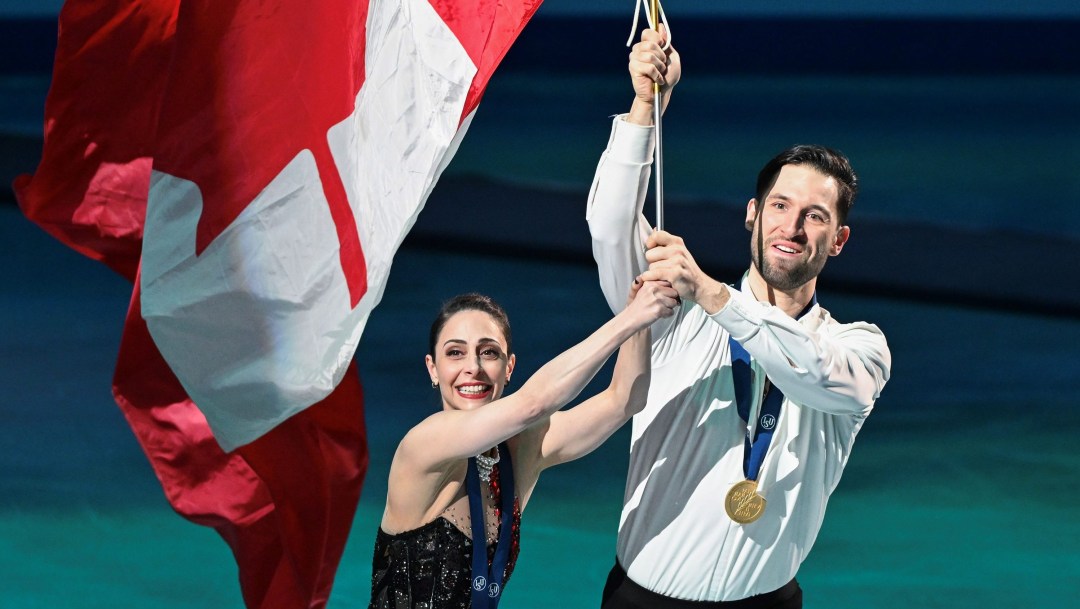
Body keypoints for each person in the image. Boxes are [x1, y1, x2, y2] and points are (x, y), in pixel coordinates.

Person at [586, 26, 893, 608]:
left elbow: (811, 373)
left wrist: (711, 293)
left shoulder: (859, 349)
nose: (792, 227)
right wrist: (646, 105)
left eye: (815, 216)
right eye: (779, 205)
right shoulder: (674, 315)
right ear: (752, 214)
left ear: (840, 239)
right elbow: (609, 226)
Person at [369, 279, 680, 609]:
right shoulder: (424, 444)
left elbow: (623, 400)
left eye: (489, 352)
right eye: (455, 353)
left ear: (509, 368)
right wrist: (629, 319)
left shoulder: (520, 451)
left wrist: (640, 318)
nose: (472, 368)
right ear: (433, 368)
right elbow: (533, 404)